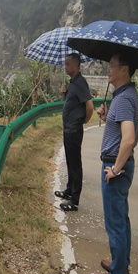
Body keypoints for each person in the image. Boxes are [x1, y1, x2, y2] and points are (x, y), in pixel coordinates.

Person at [91, 53, 138, 274]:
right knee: (122, 219)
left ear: (125, 69)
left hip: (114, 167)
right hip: (119, 165)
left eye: (112, 66)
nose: (108, 69)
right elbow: (120, 130)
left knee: (115, 224)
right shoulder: (125, 96)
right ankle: (122, 265)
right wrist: (105, 116)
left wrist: (115, 169)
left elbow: (128, 139)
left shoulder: (123, 100)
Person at [54, 53, 94, 211]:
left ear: (76, 65)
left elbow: (89, 106)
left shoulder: (80, 82)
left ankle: (74, 200)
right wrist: (64, 95)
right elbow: (72, 103)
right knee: (70, 161)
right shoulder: (73, 83)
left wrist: (83, 121)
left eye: (68, 64)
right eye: (65, 64)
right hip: (68, 129)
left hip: (74, 129)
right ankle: (69, 190)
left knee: (75, 164)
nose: (66, 67)